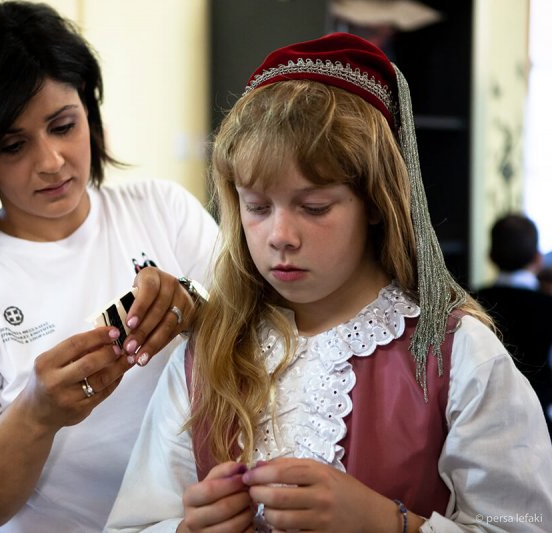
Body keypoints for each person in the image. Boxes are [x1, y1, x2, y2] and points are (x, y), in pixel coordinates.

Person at [106, 33, 552, 532]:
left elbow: (526, 521)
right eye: (256, 207)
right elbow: (135, 521)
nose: (279, 236)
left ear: (377, 204)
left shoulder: (457, 354)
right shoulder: (207, 355)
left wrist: (388, 523)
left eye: (314, 207)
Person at [0, 2, 219, 532]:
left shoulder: (164, 210)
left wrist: (194, 305)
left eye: (63, 125)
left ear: (88, 112)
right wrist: (37, 412)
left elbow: (264, 336)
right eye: (13, 144)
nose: (50, 161)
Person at [473, 214, 552, 437]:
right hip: (539, 428)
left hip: (482, 428)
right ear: (538, 258)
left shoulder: (471, 303)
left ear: (490, 255)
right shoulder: (547, 307)